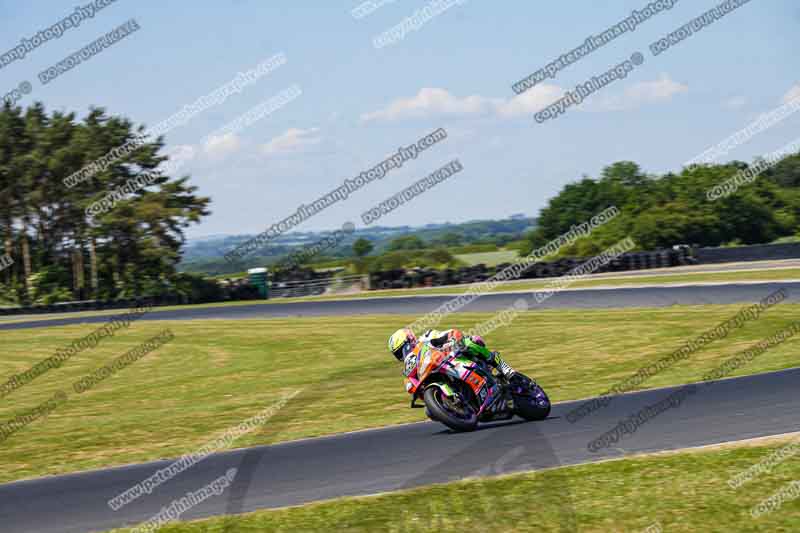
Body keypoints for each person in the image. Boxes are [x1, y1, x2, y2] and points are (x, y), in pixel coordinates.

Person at [387, 327, 517, 379]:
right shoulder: (412, 363)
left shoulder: (426, 338)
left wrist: (453, 340)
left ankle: (502, 366)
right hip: (441, 371)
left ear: (410, 339)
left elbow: (451, 333)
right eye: (399, 354)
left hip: (453, 356)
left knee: (470, 342)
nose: (403, 355)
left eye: (403, 349)